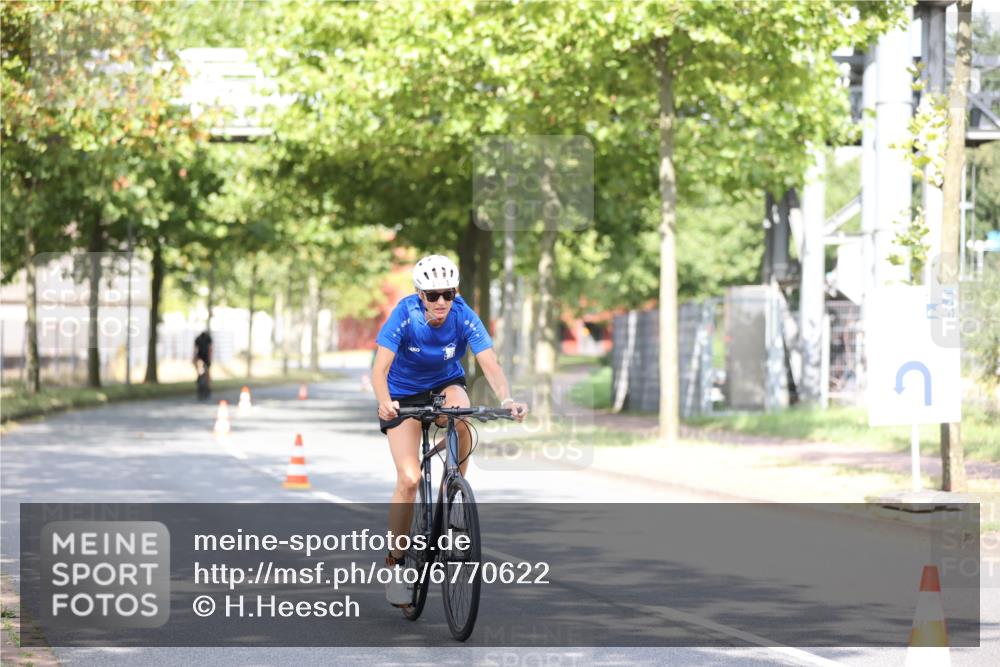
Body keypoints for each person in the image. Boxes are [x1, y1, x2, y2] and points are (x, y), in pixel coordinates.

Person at [373, 254, 528, 607]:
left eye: (447, 294)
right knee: (409, 478)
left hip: (445, 384)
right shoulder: (404, 314)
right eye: (432, 295)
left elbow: (489, 362)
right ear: (419, 295)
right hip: (402, 395)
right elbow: (379, 370)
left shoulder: (462, 314)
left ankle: (452, 489)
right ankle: (396, 566)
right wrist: (384, 401)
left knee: (462, 416)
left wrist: (507, 399)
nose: (441, 302)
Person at [193, 330, 213, 400]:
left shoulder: (198, 339)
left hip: (200, 358)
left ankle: (202, 384)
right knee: (206, 373)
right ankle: (207, 386)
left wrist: (194, 358)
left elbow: (195, 350)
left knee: (201, 371)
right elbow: (210, 349)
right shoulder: (208, 338)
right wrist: (209, 359)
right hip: (204, 358)